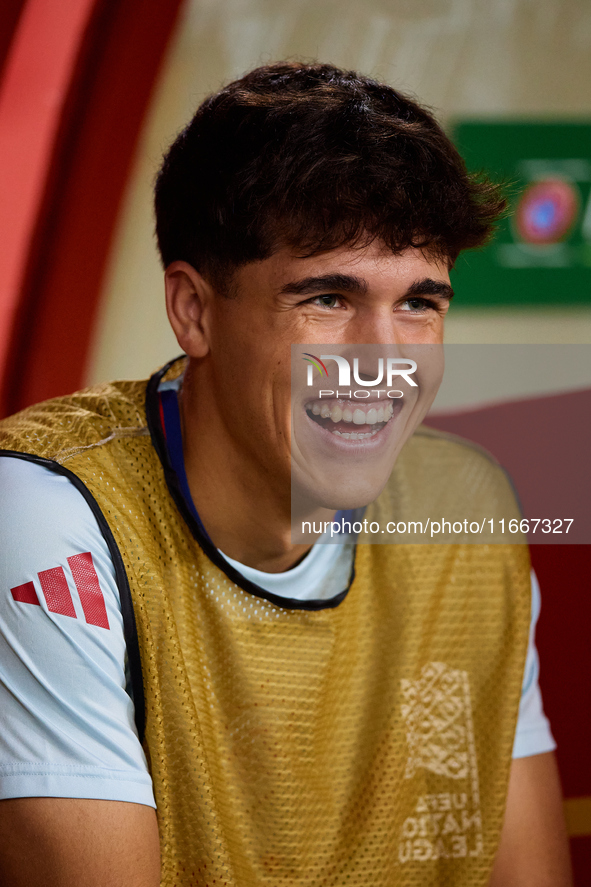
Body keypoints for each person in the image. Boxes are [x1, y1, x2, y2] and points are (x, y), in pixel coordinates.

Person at [0, 62, 572, 886]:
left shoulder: (465, 510)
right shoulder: (48, 518)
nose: (383, 363)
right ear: (194, 310)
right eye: (328, 299)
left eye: (419, 303)